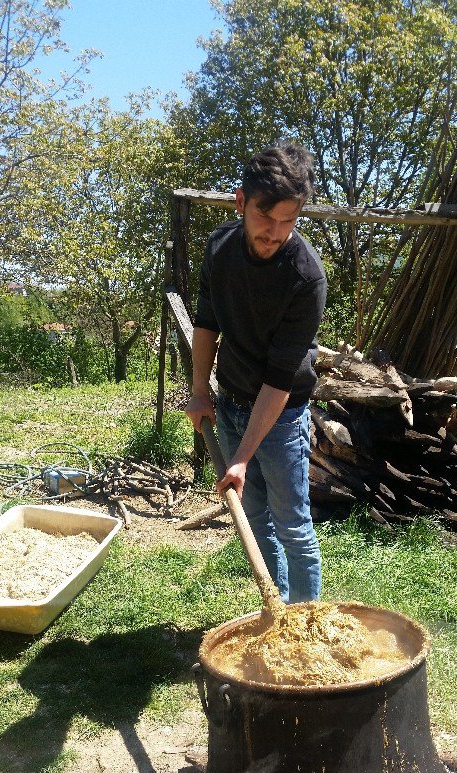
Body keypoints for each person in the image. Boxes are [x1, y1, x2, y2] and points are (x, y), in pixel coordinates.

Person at [185, 144, 327, 604]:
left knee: (293, 527)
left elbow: (281, 379)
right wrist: (199, 390)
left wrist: (241, 458)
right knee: (254, 520)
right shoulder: (220, 248)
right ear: (241, 202)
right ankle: (275, 612)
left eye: (289, 221)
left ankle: (305, 627)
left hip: (281, 416)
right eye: (267, 217)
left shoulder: (305, 276)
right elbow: (206, 323)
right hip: (228, 403)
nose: (276, 233)